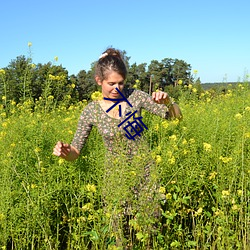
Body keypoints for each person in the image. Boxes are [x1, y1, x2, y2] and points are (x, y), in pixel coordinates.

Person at [53, 47, 182, 247]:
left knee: (150, 235)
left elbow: (175, 118)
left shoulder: (136, 97)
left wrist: (169, 102)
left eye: (121, 83)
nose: (117, 88)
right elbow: (76, 151)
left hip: (145, 175)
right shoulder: (91, 111)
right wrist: (65, 152)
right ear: (99, 81)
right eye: (111, 83)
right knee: (120, 237)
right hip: (115, 180)